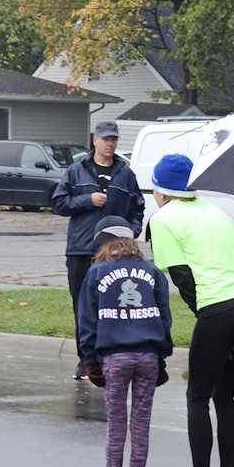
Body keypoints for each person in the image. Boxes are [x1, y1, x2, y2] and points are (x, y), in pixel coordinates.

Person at [147, 154, 234, 467]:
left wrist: (213, 325)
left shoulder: (163, 219)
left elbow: (183, 279)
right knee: (224, 394)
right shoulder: (215, 211)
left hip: (219, 308)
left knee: (197, 396)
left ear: (159, 189)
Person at [77, 216, 173, 467]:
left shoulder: (96, 274)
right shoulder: (152, 273)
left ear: (101, 243)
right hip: (147, 356)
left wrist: (91, 359)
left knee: (116, 427)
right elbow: (164, 318)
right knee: (141, 426)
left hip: (114, 358)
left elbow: (87, 321)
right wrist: (161, 357)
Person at [51, 121, 145, 380]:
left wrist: (133, 231)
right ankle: (87, 359)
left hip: (115, 252)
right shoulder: (75, 171)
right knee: (83, 305)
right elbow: (58, 203)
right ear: (94, 140)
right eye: (105, 139)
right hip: (81, 249)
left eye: (113, 139)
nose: (110, 143)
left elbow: (138, 207)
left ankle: (111, 356)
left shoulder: (125, 173)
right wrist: (87, 200)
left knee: (113, 304)